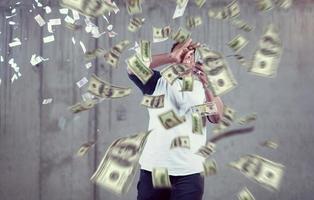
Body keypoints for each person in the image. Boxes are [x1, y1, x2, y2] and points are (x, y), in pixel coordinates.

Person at [127, 38, 224, 200]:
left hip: (190, 173)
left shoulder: (203, 88)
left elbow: (216, 117)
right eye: (182, 51)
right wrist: (171, 57)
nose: (186, 56)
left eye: (191, 53)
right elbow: (132, 66)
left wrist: (207, 83)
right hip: (155, 170)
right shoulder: (157, 83)